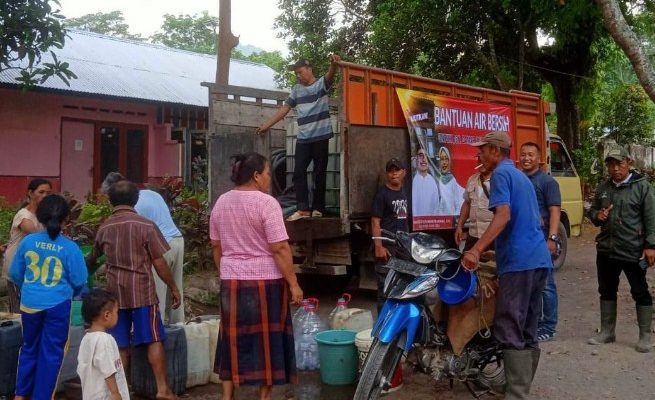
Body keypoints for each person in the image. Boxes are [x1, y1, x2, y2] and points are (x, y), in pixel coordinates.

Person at [462, 131, 552, 400]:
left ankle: (516, 394)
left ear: (495, 150)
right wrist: (494, 252)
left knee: (509, 324)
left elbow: (503, 216)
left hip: (520, 262)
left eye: (482, 150)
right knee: (527, 326)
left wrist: (476, 250)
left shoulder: (500, 174)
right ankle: (515, 387)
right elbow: (530, 221)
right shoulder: (521, 177)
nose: (479, 155)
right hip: (538, 260)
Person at [209, 152, 303, 400]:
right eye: (268, 173)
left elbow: (216, 246)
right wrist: (294, 283)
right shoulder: (267, 203)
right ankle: (264, 397)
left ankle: (227, 397)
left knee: (231, 338)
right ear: (256, 176)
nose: (270, 178)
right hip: (266, 281)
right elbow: (280, 248)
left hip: (231, 280)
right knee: (267, 342)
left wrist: (226, 271)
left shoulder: (221, 202)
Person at [90, 180, 180, 400]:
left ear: (110, 201)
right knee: (153, 338)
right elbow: (159, 263)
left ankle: (121, 391)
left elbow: (92, 259)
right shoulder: (146, 226)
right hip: (142, 292)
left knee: (119, 344)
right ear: (136, 199)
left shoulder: (105, 227)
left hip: (115, 297)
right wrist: (173, 287)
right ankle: (162, 390)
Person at [9, 194, 88, 400]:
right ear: (66, 220)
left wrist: (30, 288)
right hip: (58, 305)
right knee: (51, 354)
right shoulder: (70, 247)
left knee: (28, 349)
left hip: (29, 304)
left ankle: (20, 395)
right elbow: (79, 280)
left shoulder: (28, 242)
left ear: (40, 216)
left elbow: (16, 273)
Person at [256, 54, 342, 221]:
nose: (298, 75)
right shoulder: (296, 89)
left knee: (319, 172)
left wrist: (334, 65)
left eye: (300, 72)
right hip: (303, 138)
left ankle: (318, 208)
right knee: (298, 172)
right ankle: (303, 209)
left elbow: (330, 76)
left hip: (321, 136)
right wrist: (267, 125)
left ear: (309, 69)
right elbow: (284, 109)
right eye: (296, 73)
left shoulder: (320, 85)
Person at [586, 146, 655, 353]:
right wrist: (598, 215)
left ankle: (645, 336)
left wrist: (651, 245)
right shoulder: (604, 188)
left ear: (629, 163)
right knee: (606, 290)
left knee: (640, 291)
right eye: (611, 164)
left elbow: (652, 219)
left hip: (633, 250)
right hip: (607, 250)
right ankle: (607, 332)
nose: (615, 168)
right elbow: (593, 212)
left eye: (619, 163)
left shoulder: (642, 187)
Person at [101, 172, 185, 324]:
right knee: (176, 290)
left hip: (162, 246)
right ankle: (179, 330)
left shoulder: (131, 207)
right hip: (178, 241)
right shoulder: (151, 194)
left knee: (157, 295)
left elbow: (134, 238)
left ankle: (157, 333)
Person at [520, 142, 562, 343]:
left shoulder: (547, 182)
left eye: (531, 154)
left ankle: (549, 326)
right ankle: (533, 323)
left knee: (546, 284)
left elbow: (555, 211)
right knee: (530, 284)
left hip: (543, 239)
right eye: (523, 155)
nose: (526, 158)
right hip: (525, 242)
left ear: (539, 158)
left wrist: (552, 238)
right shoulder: (519, 180)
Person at [2, 178, 51, 312]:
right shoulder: (24, 215)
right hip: (16, 267)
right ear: (30, 193)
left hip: (33, 268)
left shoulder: (43, 217)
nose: (45, 196)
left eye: (48, 193)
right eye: (41, 192)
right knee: (19, 311)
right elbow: (34, 233)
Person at [371, 158, 409, 312]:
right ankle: (382, 328)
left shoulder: (404, 192)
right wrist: (378, 247)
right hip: (387, 249)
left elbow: (403, 218)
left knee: (402, 289)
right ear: (387, 174)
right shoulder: (382, 194)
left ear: (404, 172)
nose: (394, 174)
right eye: (391, 171)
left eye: (397, 170)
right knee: (385, 291)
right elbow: (375, 222)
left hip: (402, 248)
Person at [78, 288, 130, 400]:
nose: (117, 315)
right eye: (116, 312)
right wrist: (115, 393)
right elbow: (108, 370)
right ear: (107, 315)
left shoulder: (86, 338)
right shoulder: (104, 340)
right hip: (106, 396)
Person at [455, 154, 493, 251]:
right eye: (479, 161)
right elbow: (467, 204)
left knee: (491, 265)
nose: (481, 164)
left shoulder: (499, 180)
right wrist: (460, 226)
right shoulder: (472, 180)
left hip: (492, 236)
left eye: (484, 161)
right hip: (473, 235)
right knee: (467, 263)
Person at [436, 146, 464, 215]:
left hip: (451, 220)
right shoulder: (438, 180)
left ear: (449, 161)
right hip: (440, 221)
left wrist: (453, 219)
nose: (444, 162)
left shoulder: (453, 180)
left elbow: (457, 205)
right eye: (442, 159)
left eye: (446, 159)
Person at [412, 147, 440, 216]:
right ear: (416, 159)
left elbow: (435, 207)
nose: (424, 159)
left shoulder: (432, 181)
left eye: (426, 156)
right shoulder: (412, 180)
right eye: (421, 155)